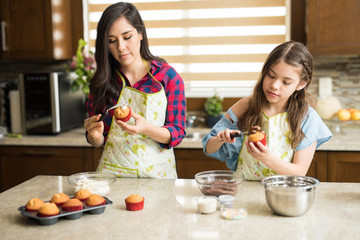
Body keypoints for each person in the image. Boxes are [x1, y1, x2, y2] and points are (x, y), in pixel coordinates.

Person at [202, 41, 332, 181]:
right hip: (243, 190)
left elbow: (300, 172)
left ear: (301, 84)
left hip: (283, 193)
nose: (274, 85)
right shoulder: (246, 105)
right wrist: (220, 138)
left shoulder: (307, 117)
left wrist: (267, 158)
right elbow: (209, 148)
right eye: (271, 75)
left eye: (286, 82)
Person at [84, 2, 186, 179]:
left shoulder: (167, 76)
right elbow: (98, 140)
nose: (121, 47)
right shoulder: (102, 81)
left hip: (158, 179)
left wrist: (145, 128)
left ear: (140, 33)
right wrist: (94, 136)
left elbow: (177, 133)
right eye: (112, 41)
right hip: (113, 178)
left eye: (127, 36)